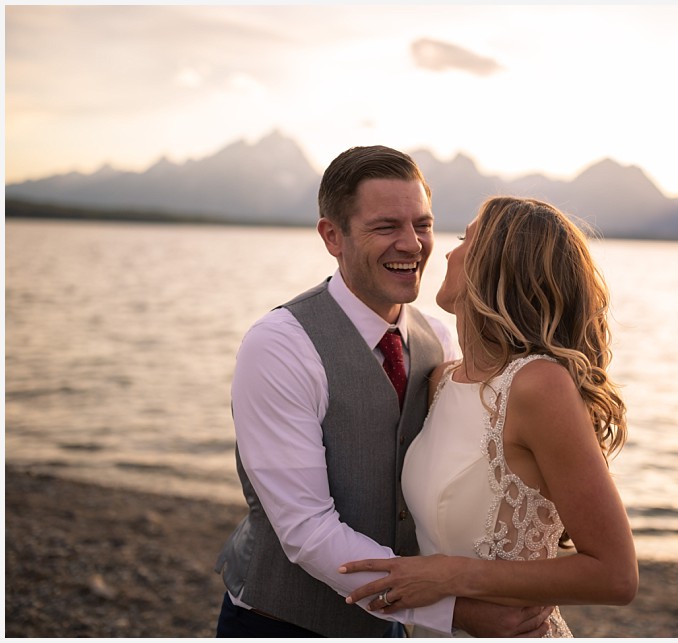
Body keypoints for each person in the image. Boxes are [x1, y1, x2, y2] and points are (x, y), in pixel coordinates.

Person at [214, 147, 553, 638]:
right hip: (281, 622)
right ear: (333, 236)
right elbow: (306, 530)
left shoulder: (438, 339)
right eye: (386, 226)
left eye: (423, 224)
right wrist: (455, 612)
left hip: (394, 625)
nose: (412, 245)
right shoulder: (280, 345)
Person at [339, 196, 640, 637]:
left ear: (498, 265)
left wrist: (449, 576)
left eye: (466, 239)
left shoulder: (538, 386)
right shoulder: (440, 381)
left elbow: (616, 576)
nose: (444, 251)